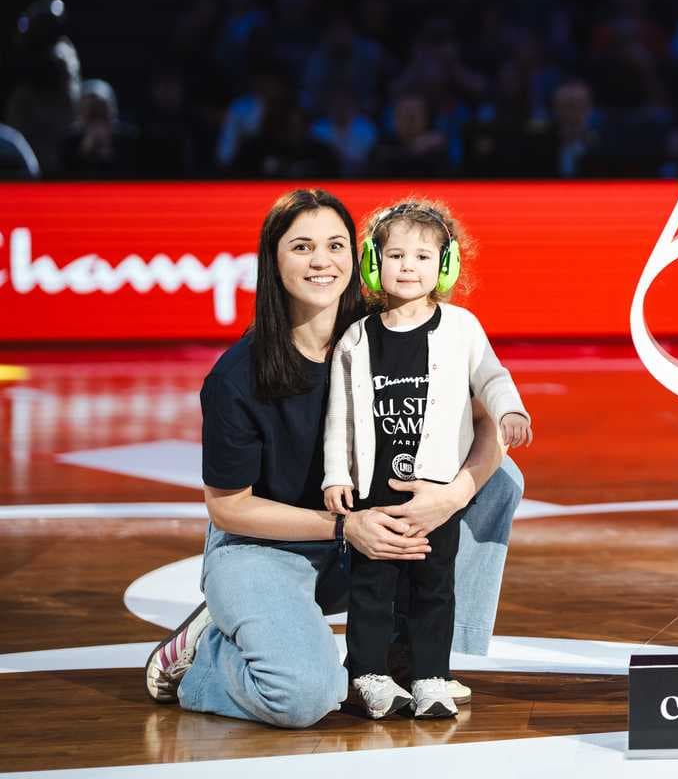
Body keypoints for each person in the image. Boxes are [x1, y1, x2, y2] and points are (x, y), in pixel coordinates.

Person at [143, 188, 526, 727]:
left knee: (497, 478)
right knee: (305, 698)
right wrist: (345, 526)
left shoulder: (395, 324)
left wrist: (452, 496)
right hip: (268, 546)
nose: (322, 261)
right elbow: (228, 509)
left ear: (358, 256)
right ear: (273, 263)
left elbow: (487, 427)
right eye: (302, 247)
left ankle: (413, 656)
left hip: (368, 532)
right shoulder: (237, 377)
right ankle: (205, 654)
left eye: (336, 245)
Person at [323, 199, 533, 719]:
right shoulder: (356, 336)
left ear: (446, 265)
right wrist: (335, 473)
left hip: (435, 490)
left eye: (422, 256)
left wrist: (512, 409)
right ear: (374, 264)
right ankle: (368, 674)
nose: (408, 266)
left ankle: (430, 676)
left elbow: (491, 375)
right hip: (374, 490)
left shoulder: (461, 328)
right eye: (395, 255)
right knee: (372, 586)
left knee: (434, 585)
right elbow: (340, 414)